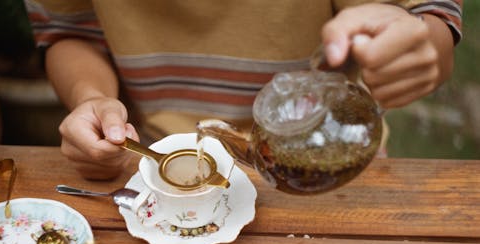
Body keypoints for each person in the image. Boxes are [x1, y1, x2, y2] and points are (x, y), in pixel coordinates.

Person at [24, 0, 462, 179]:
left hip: (329, 163)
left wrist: (422, 43)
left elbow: (424, 19)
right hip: (158, 161)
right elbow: (68, 29)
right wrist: (91, 99)